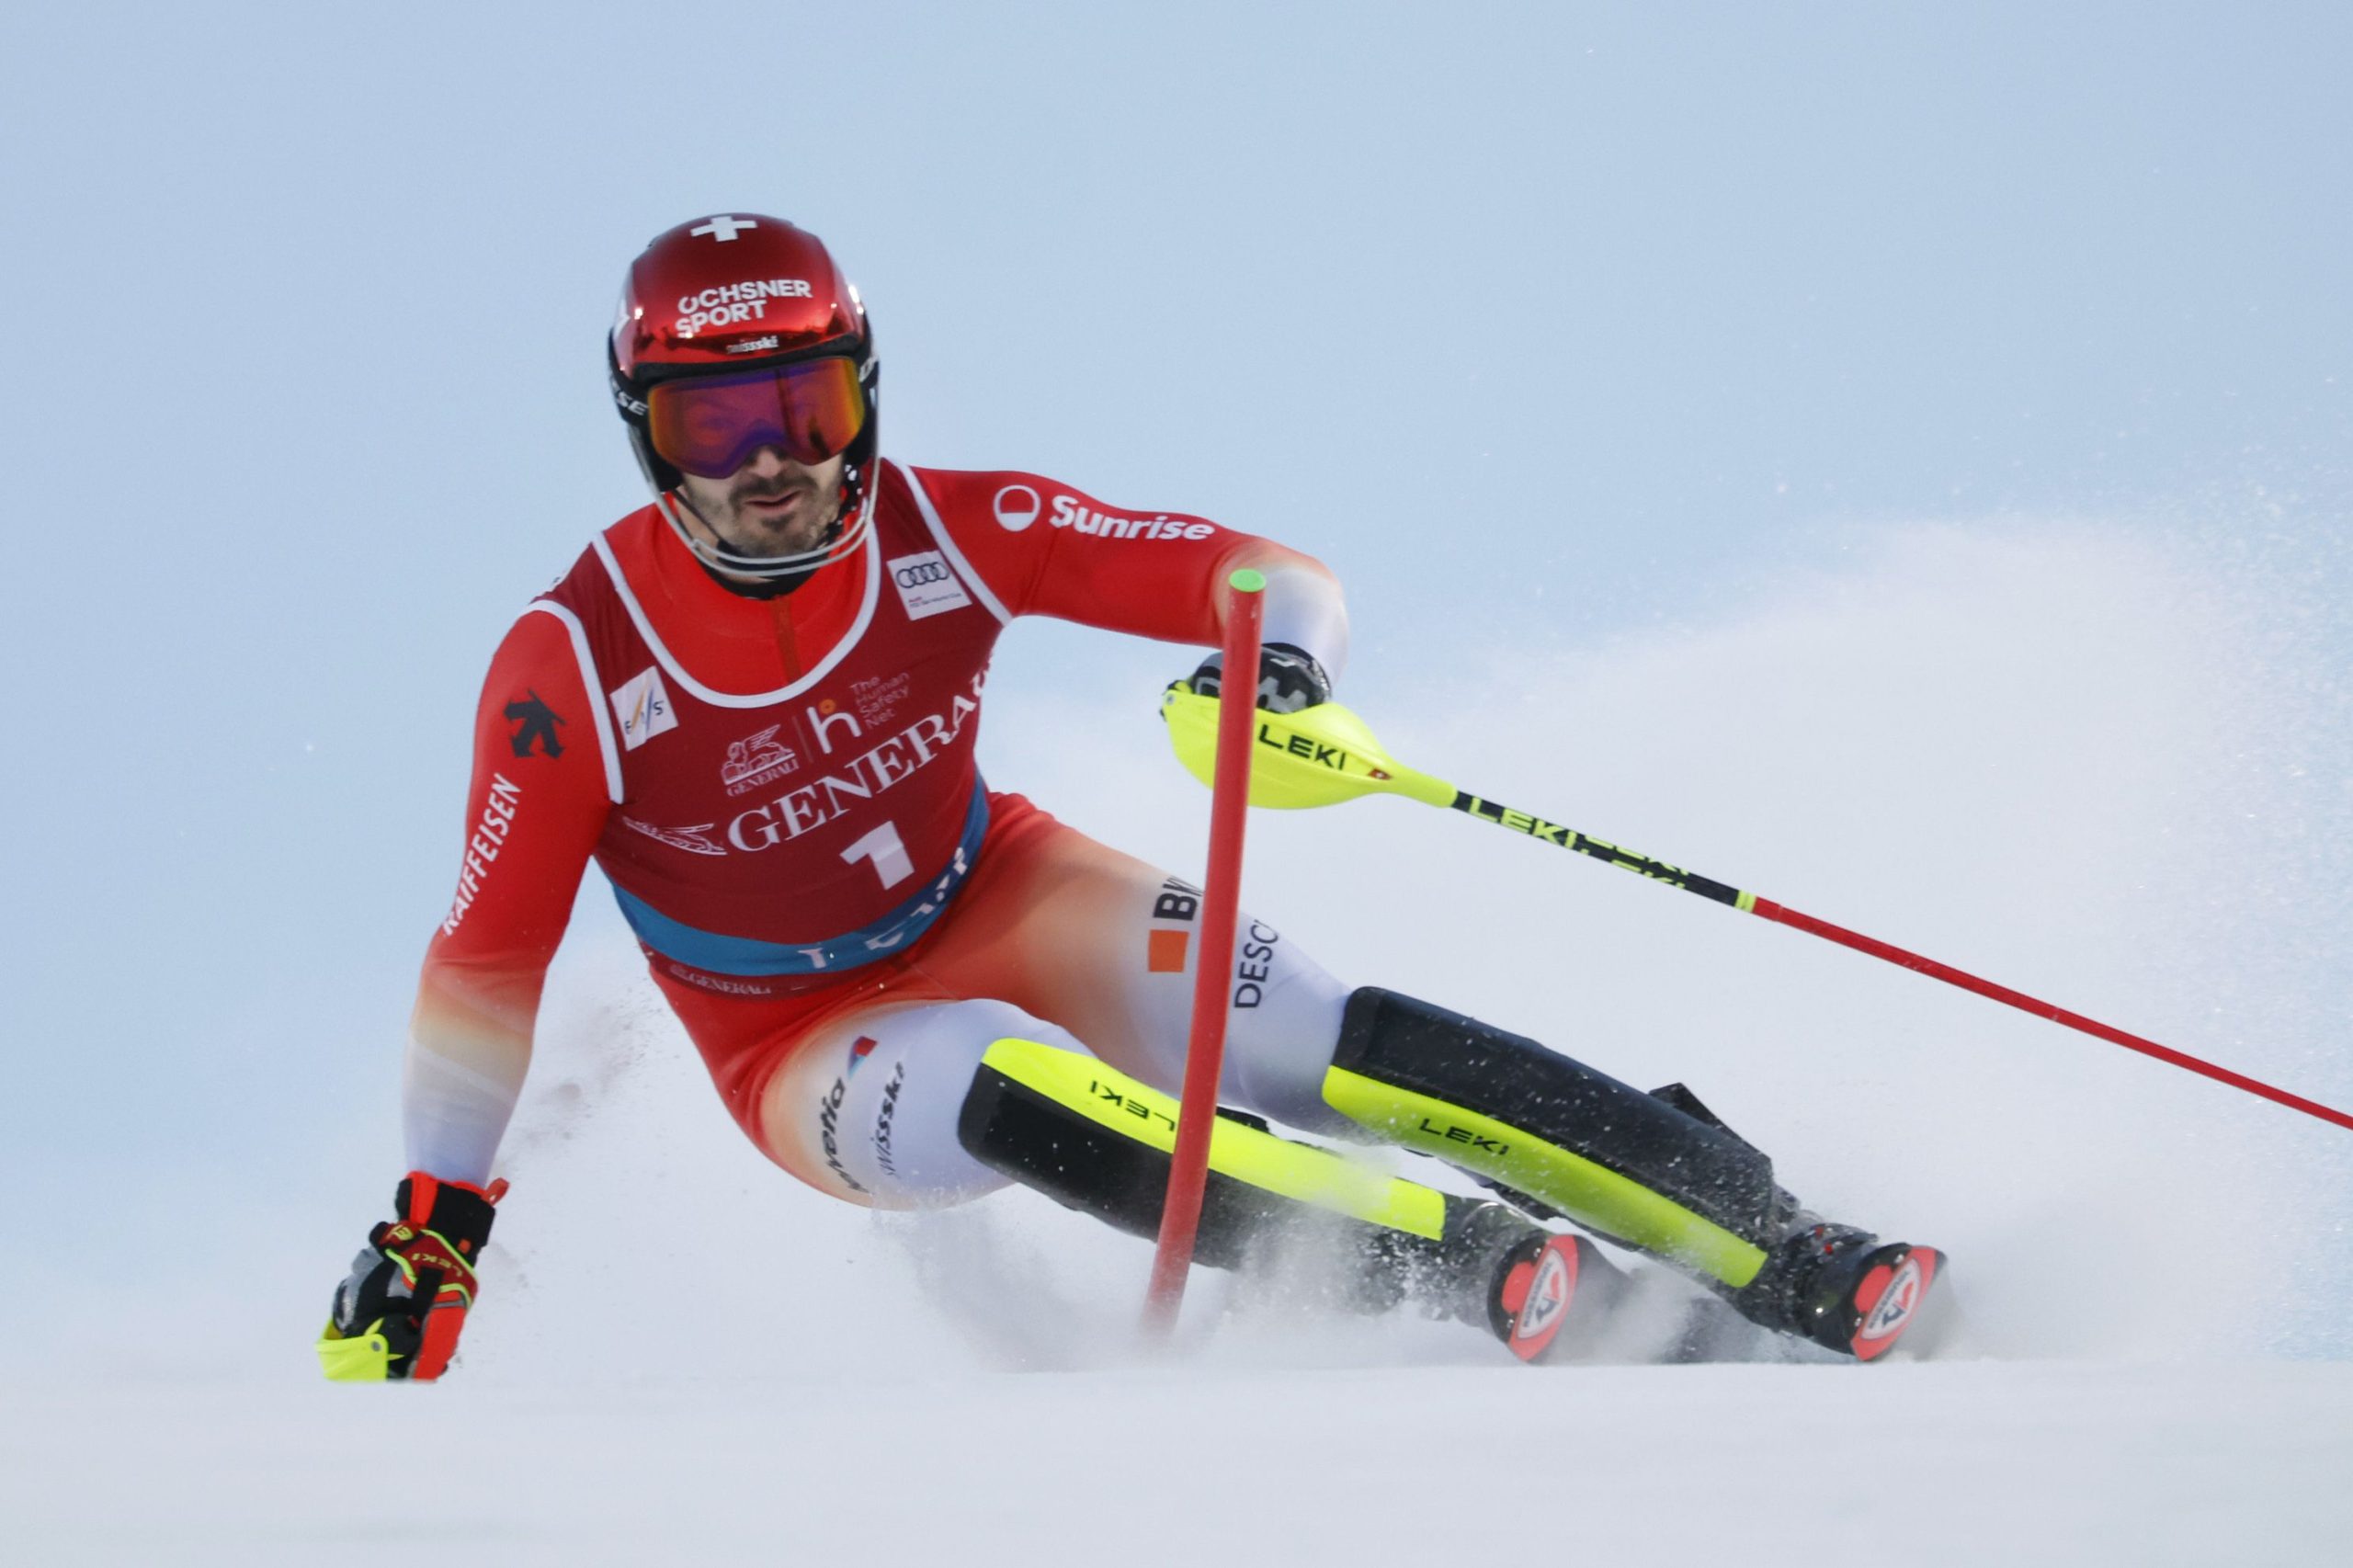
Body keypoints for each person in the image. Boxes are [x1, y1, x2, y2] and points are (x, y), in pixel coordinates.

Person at [318, 213, 1946, 1382]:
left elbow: (1262, 571)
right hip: (800, 1040)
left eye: (805, 408)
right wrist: (435, 1219)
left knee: (1313, 1038)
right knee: (1002, 1076)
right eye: (714, 421)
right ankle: (1467, 1265)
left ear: (864, 397)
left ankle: (1779, 1245)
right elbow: (484, 961)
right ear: (646, 440)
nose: (771, 461)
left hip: (1003, 889)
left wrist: (1278, 670)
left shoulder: (950, 527)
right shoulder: (570, 659)